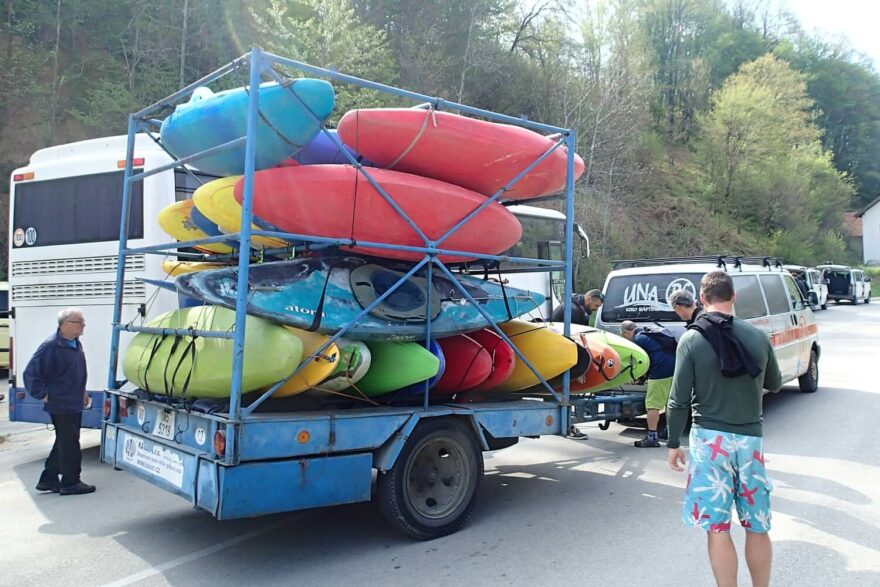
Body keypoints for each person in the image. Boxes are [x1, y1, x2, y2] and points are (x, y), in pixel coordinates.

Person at [666, 271, 782, 587]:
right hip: (750, 441)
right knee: (757, 525)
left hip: (708, 441)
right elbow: (774, 382)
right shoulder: (757, 337)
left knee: (717, 527)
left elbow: (677, 400)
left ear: (702, 299)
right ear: (734, 297)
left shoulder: (692, 339)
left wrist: (673, 442)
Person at [24, 308, 95, 495]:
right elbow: (30, 373)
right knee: (70, 444)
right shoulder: (51, 346)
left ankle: (48, 479)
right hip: (61, 403)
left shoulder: (74, 343)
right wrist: (43, 394)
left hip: (73, 400)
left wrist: (82, 392)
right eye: (79, 322)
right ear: (65, 325)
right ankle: (71, 482)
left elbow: (74, 372)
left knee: (64, 441)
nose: (83, 325)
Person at [619, 320, 676, 448]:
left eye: (624, 336)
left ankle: (652, 438)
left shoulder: (638, 340)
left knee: (652, 405)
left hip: (660, 371)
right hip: (675, 369)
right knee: (670, 403)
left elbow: (639, 363)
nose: (625, 339)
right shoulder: (649, 333)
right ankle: (670, 432)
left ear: (627, 332)